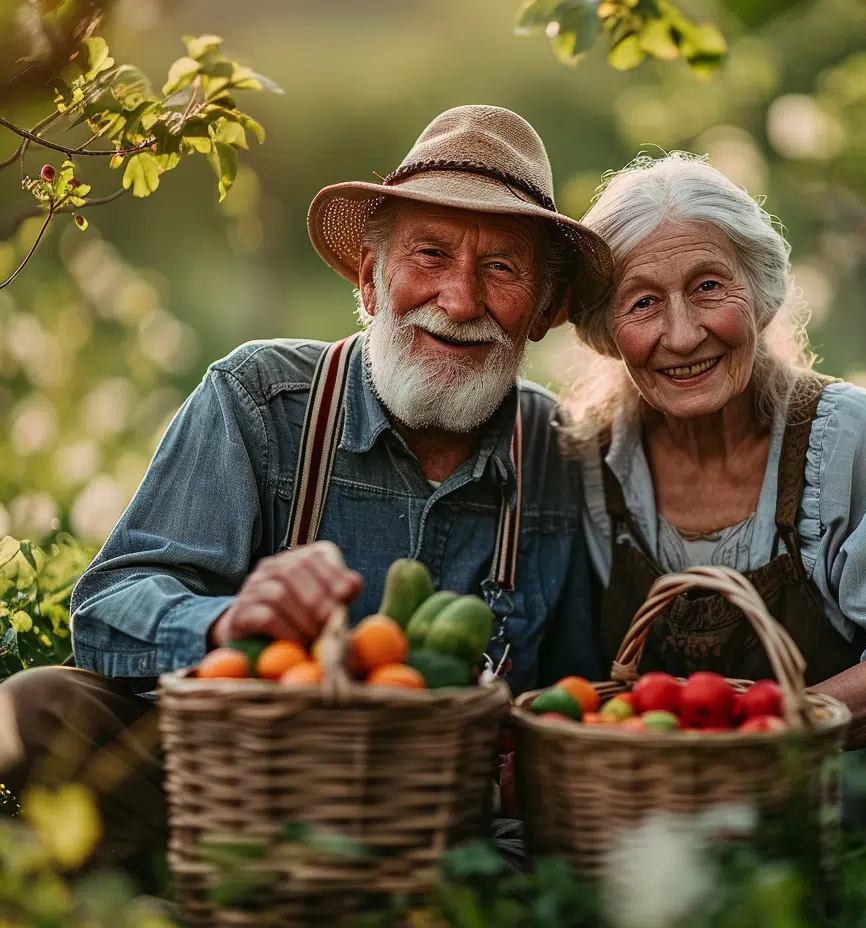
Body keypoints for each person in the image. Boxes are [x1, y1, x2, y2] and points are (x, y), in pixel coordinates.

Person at [0, 104, 611, 877]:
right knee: (38, 708)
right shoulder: (261, 399)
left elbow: (581, 699)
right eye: (430, 253)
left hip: (441, 834)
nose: (459, 301)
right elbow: (108, 611)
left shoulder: (561, 456)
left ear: (546, 311)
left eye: (502, 268)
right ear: (369, 277)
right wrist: (226, 625)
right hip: (236, 799)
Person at [560, 152, 866, 773]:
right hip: (657, 811)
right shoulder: (589, 459)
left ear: (761, 293)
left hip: (835, 789)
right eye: (643, 303)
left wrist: (766, 736)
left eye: (709, 286)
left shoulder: (844, 436)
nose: (684, 336)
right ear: (606, 330)